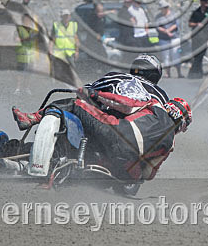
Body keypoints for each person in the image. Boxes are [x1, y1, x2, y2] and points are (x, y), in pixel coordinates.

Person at [11, 54, 193, 182]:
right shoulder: (161, 96)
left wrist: (94, 94)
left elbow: (87, 91)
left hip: (104, 119)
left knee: (74, 104)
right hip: (124, 141)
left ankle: (33, 118)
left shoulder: (117, 76)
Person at [188, 0, 208, 78]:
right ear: (201, 2)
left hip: (205, 37)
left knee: (201, 54)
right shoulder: (196, 12)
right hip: (196, 37)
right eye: (205, 1)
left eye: (207, 1)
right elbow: (190, 23)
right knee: (196, 55)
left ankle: (196, 72)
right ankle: (196, 73)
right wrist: (197, 24)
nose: (206, 3)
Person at [156, 0, 182, 78]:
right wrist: (166, 31)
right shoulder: (158, 17)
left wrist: (169, 30)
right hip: (163, 38)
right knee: (165, 56)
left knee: (175, 55)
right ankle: (168, 73)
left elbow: (176, 24)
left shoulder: (174, 15)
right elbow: (157, 26)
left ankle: (179, 72)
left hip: (174, 37)